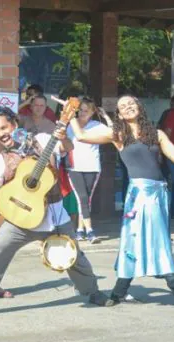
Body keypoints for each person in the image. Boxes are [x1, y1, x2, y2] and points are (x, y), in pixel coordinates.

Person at [0, 106, 108, 319]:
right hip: (21, 219)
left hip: (54, 216)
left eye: (4, 127)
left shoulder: (44, 140)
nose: (1, 134)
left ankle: (93, 292)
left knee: (74, 255)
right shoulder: (1, 160)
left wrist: (62, 137)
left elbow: (68, 146)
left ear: (15, 124)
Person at [68, 95, 174, 315]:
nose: (127, 107)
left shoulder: (157, 134)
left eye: (131, 104)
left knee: (134, 242)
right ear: (119, 113)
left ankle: (118, 292)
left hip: (160, 194)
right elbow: (81, 135)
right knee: (156, 243)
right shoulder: (118, 134)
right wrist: (69, 114)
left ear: (139, 107)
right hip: (139, 195)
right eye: (122, 106)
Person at [65, 98, 108, 244]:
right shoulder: (71, 123)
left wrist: (107, 116)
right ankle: (90, 231)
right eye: (80, 110)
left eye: (86, 111)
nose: (82, 113)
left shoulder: (97, 125)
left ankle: (79, 230)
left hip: (92, 167)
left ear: (92, 112)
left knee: (86, 200)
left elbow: (114, 133)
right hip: (74, 167)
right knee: (82, 198)